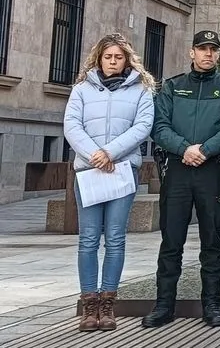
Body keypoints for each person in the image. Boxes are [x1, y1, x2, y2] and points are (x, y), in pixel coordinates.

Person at [143, 30, 220, 329]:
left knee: (212, 241)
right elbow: (159, 126)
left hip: (213, 170)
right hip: (178, 169)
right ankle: (164, 305)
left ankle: (212, 304)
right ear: (191, 52)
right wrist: (185, 149)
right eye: (202, 48)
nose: (208, 54)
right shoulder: (173, 86)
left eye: (213, 49)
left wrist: (205, 150)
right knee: (171, 241)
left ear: (219, 54)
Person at [64, 33, 156, 332]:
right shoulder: (81, 89)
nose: (113, 61)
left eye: (118, 57)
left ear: (127, 60)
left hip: (121, 170)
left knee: (115, 238)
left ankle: (107, 304)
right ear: (99, 59)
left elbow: (143, 126)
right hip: (88, 172)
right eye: (108, 57)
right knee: (88, 238)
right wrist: (95, 155)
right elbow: (71, 125)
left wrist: (110, 153)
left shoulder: (141, 90)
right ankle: (89, 305)